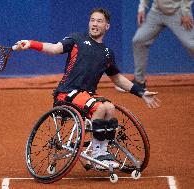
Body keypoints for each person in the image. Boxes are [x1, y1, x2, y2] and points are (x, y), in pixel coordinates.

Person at [13, 8, 161, 170]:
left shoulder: (107, 53)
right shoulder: (77, 39)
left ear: (107, 26)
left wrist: (141, 92)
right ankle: (96, 154)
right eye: (92, 20)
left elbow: (117, 79)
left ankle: (103, 152)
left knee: (109, 107)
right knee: (98, 106)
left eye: (99, 21)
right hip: (66, 93)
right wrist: (31, 44)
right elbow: (54, 48)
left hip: (87, 95)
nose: (94, 24)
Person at [117, 0, 194, 91]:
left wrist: (185, 11)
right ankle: (139, 82)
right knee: (139, 40)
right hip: (157, 11)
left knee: (191, 45)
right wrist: (141, 8)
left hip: (179, 12)